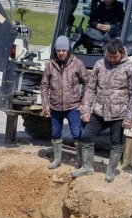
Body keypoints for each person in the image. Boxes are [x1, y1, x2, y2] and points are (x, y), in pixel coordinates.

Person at [74, 38, 132, 182]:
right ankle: (87, 167)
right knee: (86, 136)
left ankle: (111, 170)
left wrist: (129, 118)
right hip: (99, 110)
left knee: (116, 141)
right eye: (109, 56)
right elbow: (90, 89)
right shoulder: (99, 64)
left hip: (119, 113)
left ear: (121, 53)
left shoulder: (130, 68)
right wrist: (86, 110)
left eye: (114, 57)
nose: (111, 59)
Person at [41, 36, 89, 170]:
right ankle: (57, 160)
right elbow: (44, 85)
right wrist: (45, 104)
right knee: (55, 133)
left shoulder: (77, 64)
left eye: (64, 50)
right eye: (59, 50)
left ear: (68, 50)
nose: (61, 53)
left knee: (77, 134)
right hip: (55, 106)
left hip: (73, 106)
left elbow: (87, 82)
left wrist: (83, 102)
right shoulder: (50, 65)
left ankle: (81, 162)